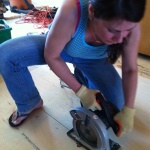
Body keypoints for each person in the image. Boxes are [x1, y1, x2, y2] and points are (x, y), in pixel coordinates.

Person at [0, 0, 146, 137]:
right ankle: (29, 102)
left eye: (126, 31)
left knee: (117, 108)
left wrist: (129, 110)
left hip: (93, 60)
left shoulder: (129, 23)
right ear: (92, 11)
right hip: (59, 47)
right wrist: (80, 90)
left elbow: (130, 69)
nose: (120, 39)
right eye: (112, 30)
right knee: (5, 55)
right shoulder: (71, 9)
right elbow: (51, 56)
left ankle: (80, 74)